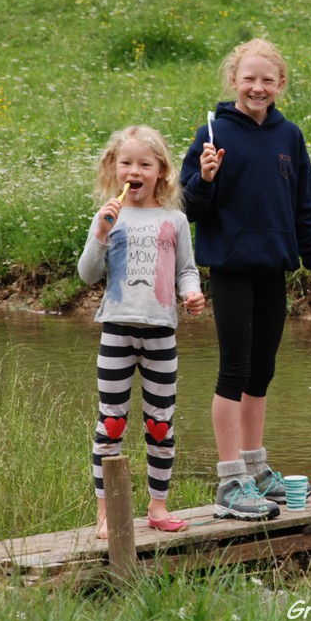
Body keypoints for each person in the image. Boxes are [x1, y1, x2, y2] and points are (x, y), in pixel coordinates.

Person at [180, 38, 311, 521]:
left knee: (261, 371)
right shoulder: (212, 133)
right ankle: (230, 480)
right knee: (234, 370)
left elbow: (305, 204)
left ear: (281, 84)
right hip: (230, 267)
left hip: (274, 266)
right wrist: (205, 178)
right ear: (234, 80)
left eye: (267, 80)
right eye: (248, 78)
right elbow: (186, 207)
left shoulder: (289, 136)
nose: (257, 87)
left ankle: (256, 467)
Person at [78, 124, 205, 537]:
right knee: (111, 423)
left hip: (161, 333)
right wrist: (101, 233)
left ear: (161, 171)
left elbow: (186, 270)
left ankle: (158, 507)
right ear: (113, 169)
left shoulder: (175, 220)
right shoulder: (107, 217)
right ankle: (106, 513)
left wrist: (191, 293)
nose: (134, 171)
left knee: (160, 425)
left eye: (145, 164)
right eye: (126, 163)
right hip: (116, 330)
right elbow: (87, 274)